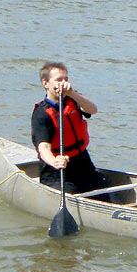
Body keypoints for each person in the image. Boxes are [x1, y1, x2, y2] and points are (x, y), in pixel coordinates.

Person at [31, 61, 108, 195]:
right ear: (46, 83)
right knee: (71, 195)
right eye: (58, 80)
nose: (63, 83)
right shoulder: (41, 114)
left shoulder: (74, 99)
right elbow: (43, 148)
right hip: (56, 169)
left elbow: (93, 110)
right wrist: (55, 162)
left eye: (66, 79)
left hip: (82, 161)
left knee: (106, 195)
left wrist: (72, 93)